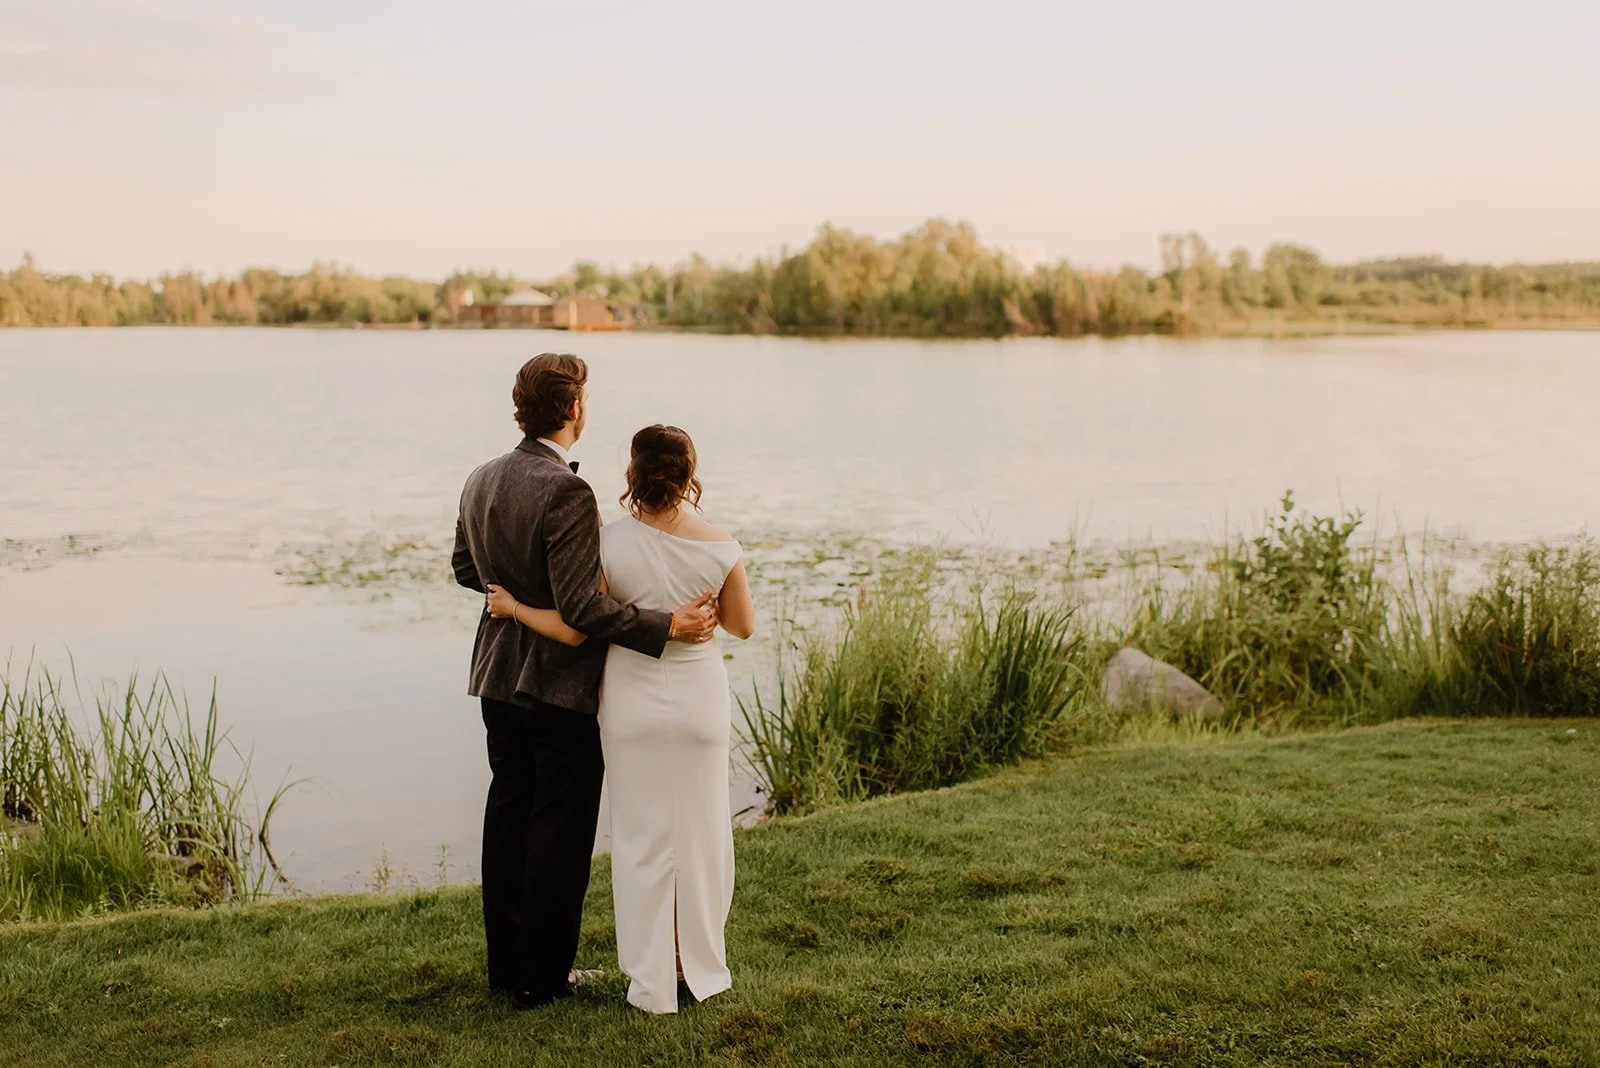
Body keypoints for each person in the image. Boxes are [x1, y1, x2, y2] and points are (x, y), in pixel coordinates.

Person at [452, 355, 720, 1010]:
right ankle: (542, 979)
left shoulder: (481, 477)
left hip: (496, 677)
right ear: (573, 409)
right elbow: (582, 609)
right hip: (556, 688)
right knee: (559, 832)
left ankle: (507, 967)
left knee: (509, 818)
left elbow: (465, 569)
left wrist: (511, 601)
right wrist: (666, 626)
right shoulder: (566, 491)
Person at [487, 423, 755, 1014]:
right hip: (698, 704)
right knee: (702, 835)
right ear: (689, 475)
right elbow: (742, 626)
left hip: (630, 704)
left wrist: (513, 607)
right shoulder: (722, 545)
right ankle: (700, 967)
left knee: (640, 840)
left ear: (633, 475)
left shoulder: (607, 543)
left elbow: (575, 626)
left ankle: (651, 983)